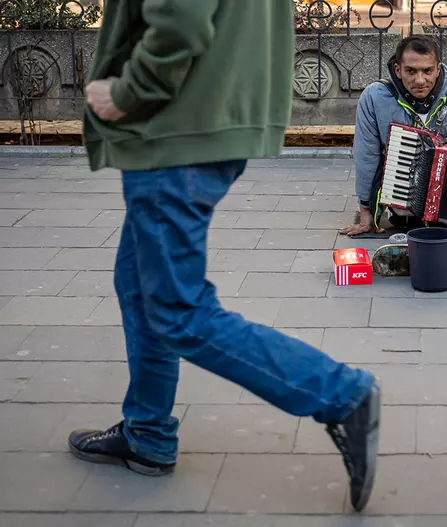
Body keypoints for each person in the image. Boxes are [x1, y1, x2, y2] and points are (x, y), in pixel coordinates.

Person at [68, 0, 380, 513]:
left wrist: (127, 93)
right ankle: (147, 434)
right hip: (206, 116)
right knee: (140, 286)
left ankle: (341, 394)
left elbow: (182, 21)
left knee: (176, 308)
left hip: (175, 127)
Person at [340, 35, 447, 238]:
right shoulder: (374, 97)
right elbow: (366, 157)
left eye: (427, 71)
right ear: (398, 70)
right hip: (400, 208)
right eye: (411, 71)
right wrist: (365, 212)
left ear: (438, 69)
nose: (420, 80)